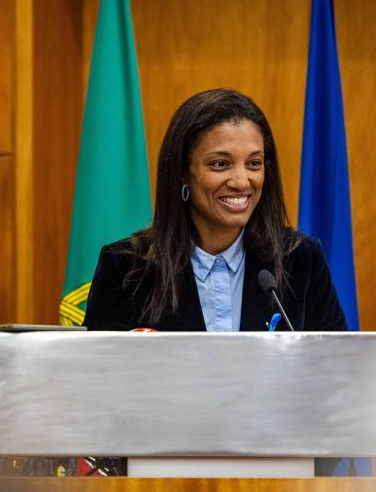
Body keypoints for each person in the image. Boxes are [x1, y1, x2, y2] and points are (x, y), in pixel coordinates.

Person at [83, 88, 346, 333]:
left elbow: (336, 362)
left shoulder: (301, 260)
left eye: (254, 163)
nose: (242, 181)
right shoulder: (125, 269)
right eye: (220, 164)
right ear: (182, 172)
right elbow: (99, 366)